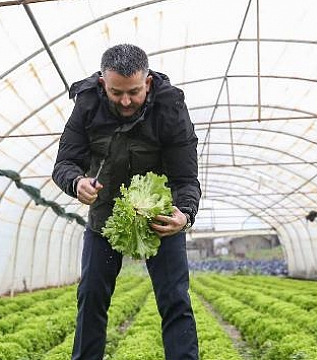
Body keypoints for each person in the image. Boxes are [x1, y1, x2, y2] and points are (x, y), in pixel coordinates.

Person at [53, 43, 201, 360]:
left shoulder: (171, 108)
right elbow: (64, 164)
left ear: (146, 82)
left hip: (160, 219)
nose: (125, 101)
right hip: (106, 216)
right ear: (103, 83)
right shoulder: (88, 104)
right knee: (91, 297)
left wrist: (184, 215)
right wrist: (75, 182)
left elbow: (186, 179)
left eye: (133, 92)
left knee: (175, 299)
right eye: (116, 92)